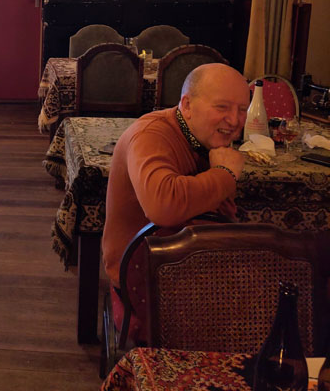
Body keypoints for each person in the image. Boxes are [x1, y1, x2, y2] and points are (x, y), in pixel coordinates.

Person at [102, 62, 248, 289]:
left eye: (242, 110)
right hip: (145, 276)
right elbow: (163, 207)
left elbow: (224, 216)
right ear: (187, 105)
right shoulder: (150, 134)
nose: (234, 120)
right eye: (222, 107)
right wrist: (225, 174)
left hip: (190, 262)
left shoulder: (205, 137)